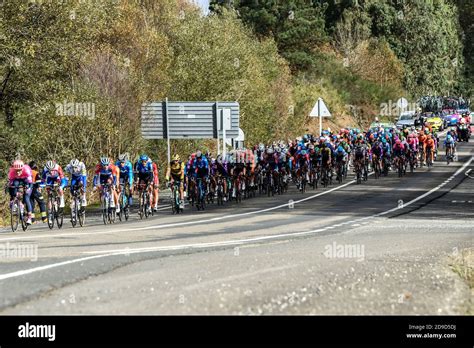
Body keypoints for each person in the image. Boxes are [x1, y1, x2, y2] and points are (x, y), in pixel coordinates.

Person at [7, 160, 34, 225]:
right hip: (17, 180)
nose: (18, 172)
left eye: (19, 170)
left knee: (27, 197)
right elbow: (10, 183)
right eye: (16, 170)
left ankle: (30, 217)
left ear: (22, 168)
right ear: (14, 169)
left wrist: (28, 188)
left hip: (26, 180)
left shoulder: (26, 170)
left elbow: (30, 182)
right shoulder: (12, 172)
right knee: (13, 186)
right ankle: (16, 202)